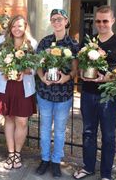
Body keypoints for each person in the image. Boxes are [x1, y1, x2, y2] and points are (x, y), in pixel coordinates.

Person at [74, 5, 116, 180]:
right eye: (98, 21)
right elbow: (81, 64)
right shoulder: (89, 42)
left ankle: (106, 174)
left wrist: (106, 78)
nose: (101, 24)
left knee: (109, 135)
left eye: (105, 20)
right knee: (88, 132)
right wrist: (82, 73)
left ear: (113, 21)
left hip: (108, 97)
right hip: (88, 93)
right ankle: (88, 167)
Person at [35, 9, 79, 177]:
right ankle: (45, 159)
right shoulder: (45, 42)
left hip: (63, 94)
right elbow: (38, 65)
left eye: (59, 19)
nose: (57, 22)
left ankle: (56, 161)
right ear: (51, 22)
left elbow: (75, 70)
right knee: (45, 128)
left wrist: (66, 77)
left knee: (59, 130)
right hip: (45, 92)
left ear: (66, 21)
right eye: (53, 19)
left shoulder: (73, 44)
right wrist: (42, 77)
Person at [0, 15, 37, 170]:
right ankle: (11, 154)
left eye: (20, 26)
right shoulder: (1, 42)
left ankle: (18, 153)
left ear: (25, 27)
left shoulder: (32, 43)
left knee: (22, 121)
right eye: (13, 26)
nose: (16, 29)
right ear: (10, 27)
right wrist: (3, 71)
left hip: (23, 87)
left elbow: (35, 67)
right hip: (6, 85)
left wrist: (25, 71)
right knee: (9, 119)